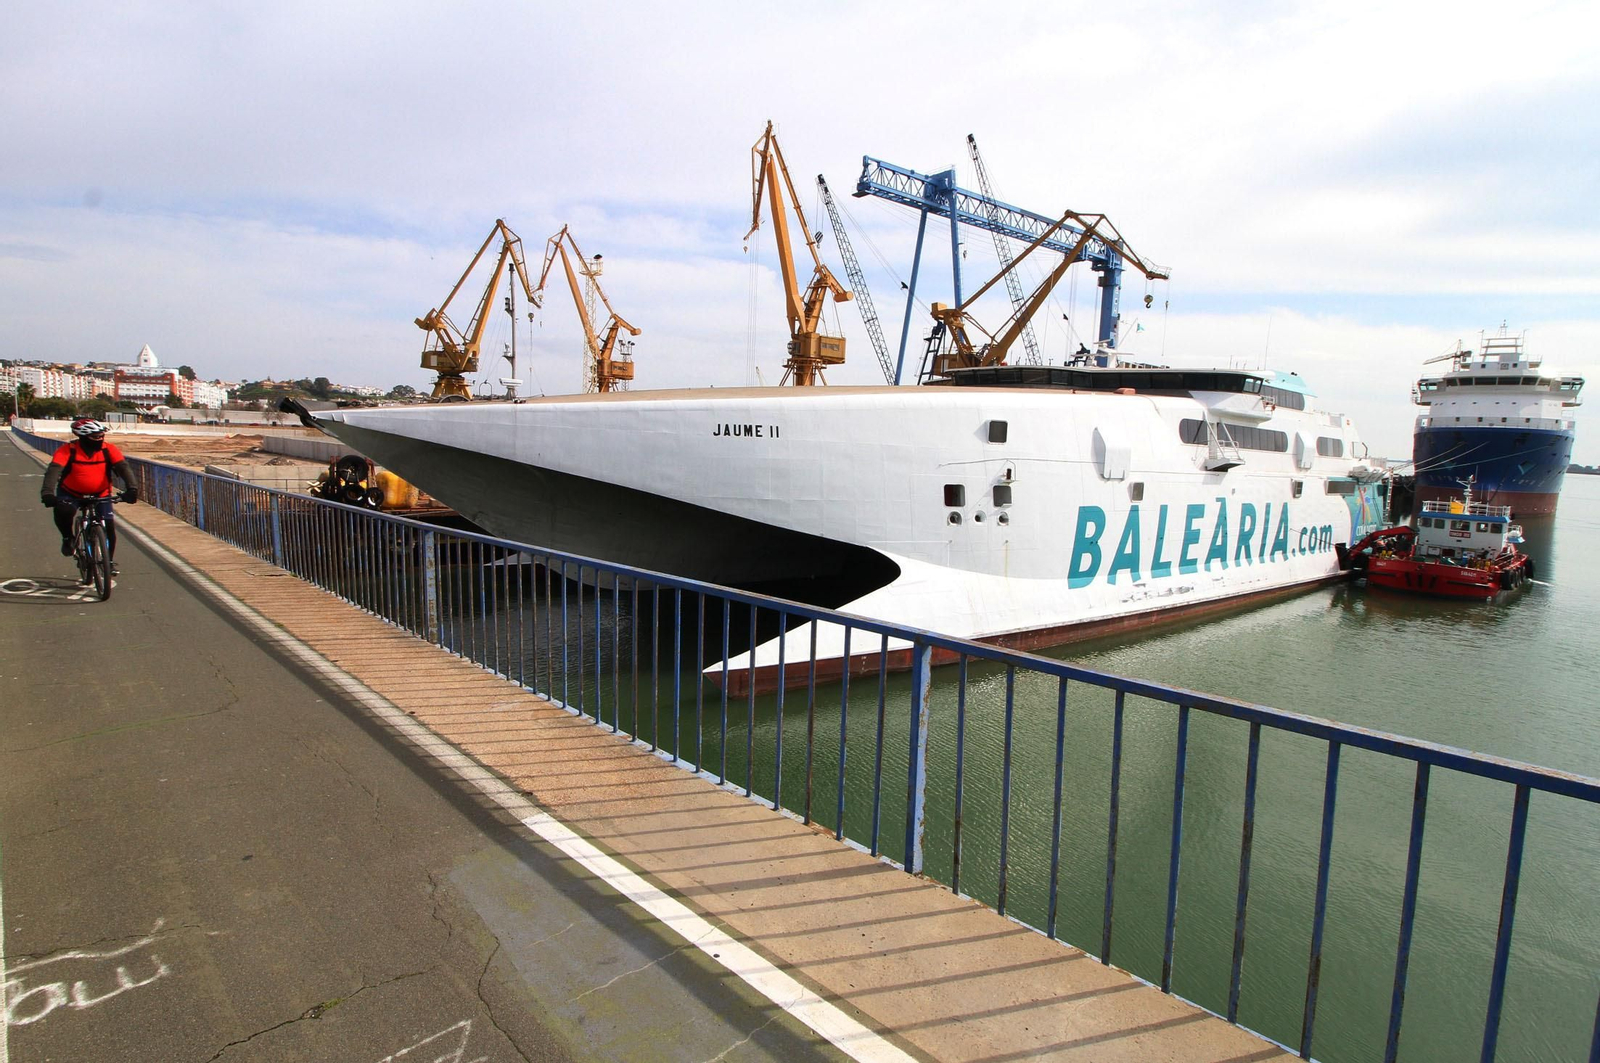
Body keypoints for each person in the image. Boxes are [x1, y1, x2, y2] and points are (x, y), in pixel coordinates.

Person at [39, 418, 138, 575]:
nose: (99, 440)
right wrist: (47, 493)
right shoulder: (67, 450)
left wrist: (132, 489)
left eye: (101, 436)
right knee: (63, 511)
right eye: (95, 437)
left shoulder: (109, 449)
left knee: (109, 526)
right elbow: (53, 471)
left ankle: (109, 561)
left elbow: (123, 468)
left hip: (101, 493)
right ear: (82, 437)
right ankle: (67, 538)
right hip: (71, 492)